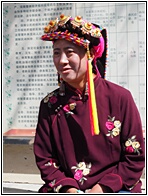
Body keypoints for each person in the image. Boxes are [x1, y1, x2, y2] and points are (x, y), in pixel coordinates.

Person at [34, 14, 145, 193]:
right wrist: (69, 188)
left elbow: (135, 157)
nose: (62, 60)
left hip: (114, 188)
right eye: (56, 52)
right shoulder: (49, 105)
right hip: (67, 188)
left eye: (69, 52)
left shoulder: (120, 97)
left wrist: (101, 188)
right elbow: (45, 159)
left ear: (91, 54)